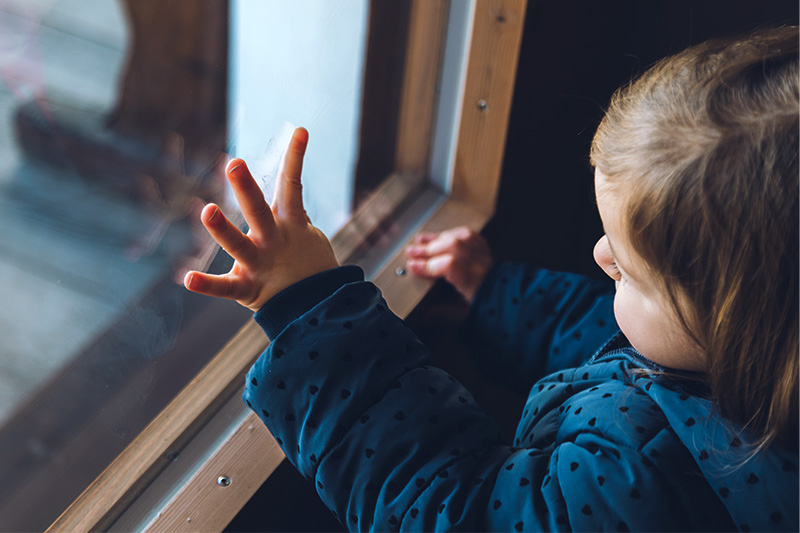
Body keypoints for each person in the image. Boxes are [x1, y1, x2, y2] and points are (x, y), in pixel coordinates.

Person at [184, 27, 798, 531]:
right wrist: (498, 295)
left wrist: (309, 312)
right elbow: (629, 349)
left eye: (632, 271)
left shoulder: (649, 487)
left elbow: (449, 505)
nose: (600, 254)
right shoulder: (733, 375)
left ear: (745, 334)